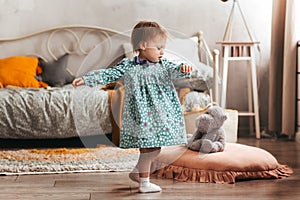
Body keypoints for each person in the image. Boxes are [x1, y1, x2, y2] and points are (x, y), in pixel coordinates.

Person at [72, 20, 192, 193]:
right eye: (158, 47)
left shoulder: (164, 65)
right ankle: (144, 182)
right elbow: (109, 74)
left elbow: (177, 70)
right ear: (143, 45)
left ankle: (138, 172)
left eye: (163, 47)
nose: (162, 51)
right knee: (148, 150)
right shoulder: (128, 66)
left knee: (155, 149)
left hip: (160, 115)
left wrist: (184, 68)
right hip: (142, 117)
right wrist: (87, 79)